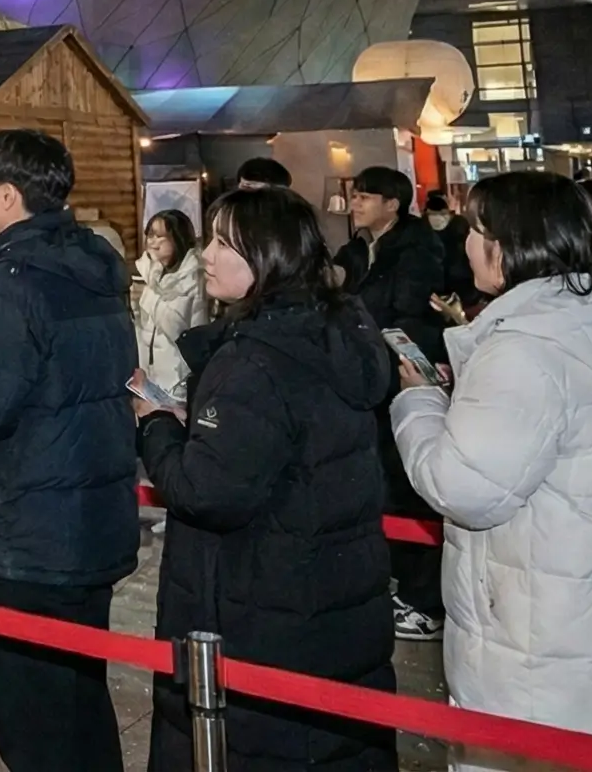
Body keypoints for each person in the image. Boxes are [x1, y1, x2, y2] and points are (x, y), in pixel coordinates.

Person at [389, 171, 592, 767]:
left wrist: (419, 403)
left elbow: (463, 487)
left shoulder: (524, 346)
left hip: (544, 632)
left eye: (476, 229)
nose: (465, 243)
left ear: (507, 245)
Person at [134, 186, 396, 771]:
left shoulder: (254, 360)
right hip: (328, 602)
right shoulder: (332, 330)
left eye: (224, 244)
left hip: (257, 610)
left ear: (270, 257)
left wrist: (156, 426)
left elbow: (205, 492)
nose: (206, 255)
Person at [0, 129, 139, 772]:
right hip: (90, 520)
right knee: (81, 701)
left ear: (8, 196)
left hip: (30, 532)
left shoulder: (7, 287)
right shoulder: (95, 268)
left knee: (35, 722)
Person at [335, 165, 450, 643]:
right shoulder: (359, 248)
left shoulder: (416, 250)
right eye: (354, 195)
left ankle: (426, 597)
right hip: (369, 379)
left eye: (366, 196)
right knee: (382, 481)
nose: (356, 203)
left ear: (393, 204)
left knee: (409, 484)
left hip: (401, 381)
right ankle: (400, 580)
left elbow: (410, 321)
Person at [134, 210, 213, 401]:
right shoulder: (150, 271)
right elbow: (143, 327)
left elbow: (184, 332)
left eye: (160, 236)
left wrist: (150, 298)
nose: (153, 242)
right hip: (148, 377)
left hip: (177, 381)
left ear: (178, 238)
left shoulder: (193, 278)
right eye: (150, 235)